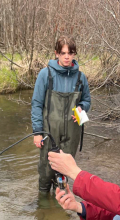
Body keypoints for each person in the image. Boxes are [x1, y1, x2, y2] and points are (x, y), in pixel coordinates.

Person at [31, 35, 91, 192]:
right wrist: (37, 132)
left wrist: (82, 108)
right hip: (49, 131)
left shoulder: (81, 77)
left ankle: (60, 208)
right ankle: (43, 205)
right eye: (63, 53)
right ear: (56, 53)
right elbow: (36, 104)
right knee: (46, 170)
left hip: (72, 132)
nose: (67, 57)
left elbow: (87, 101)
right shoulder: (45, 74)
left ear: (74, 54)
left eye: (70, 53)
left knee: (64, 172)